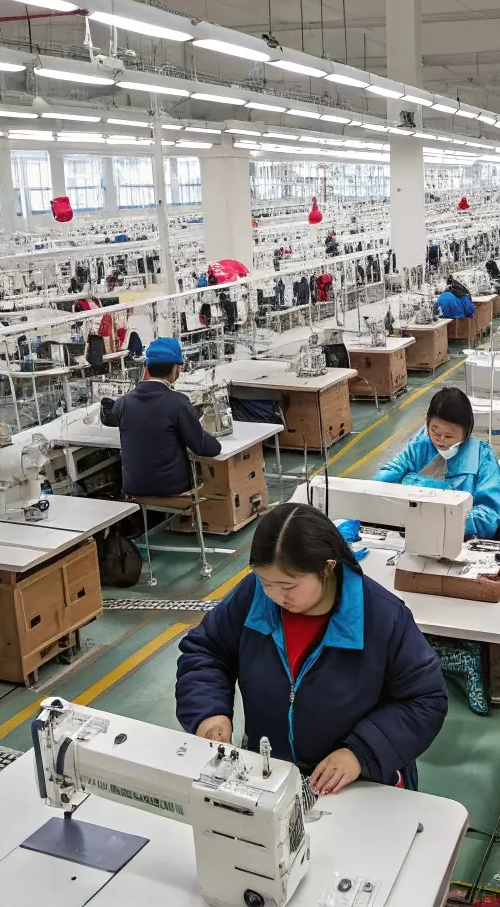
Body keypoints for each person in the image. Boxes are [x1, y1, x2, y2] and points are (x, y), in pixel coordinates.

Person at [175, 503, 448, 792]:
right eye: (266, 581)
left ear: (327, 568)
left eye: (288, 586)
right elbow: (206, 653)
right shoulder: (253, 598)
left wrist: (360, 753)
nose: (275, 595)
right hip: (271, 775)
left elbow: (424, 700)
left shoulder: (382, 619)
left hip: (359, 783)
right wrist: (209, 713)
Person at [372, 387, 500, 538]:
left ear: (466, 433)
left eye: (448, 436)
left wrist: (451, 523)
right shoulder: (419, 447)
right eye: (435, 432)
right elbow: (383, 480)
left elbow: (489, 512)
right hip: (412, 534)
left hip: (461, 540)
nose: (440, 440)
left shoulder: (482, 457)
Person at [101, 336, 221, 496]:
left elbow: (108, 415)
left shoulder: (125, 402)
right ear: (177, 369)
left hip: (133, 487)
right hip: (170, 488)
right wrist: (215, 440)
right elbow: (204, 447)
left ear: (146, 367)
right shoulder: (178, 402)